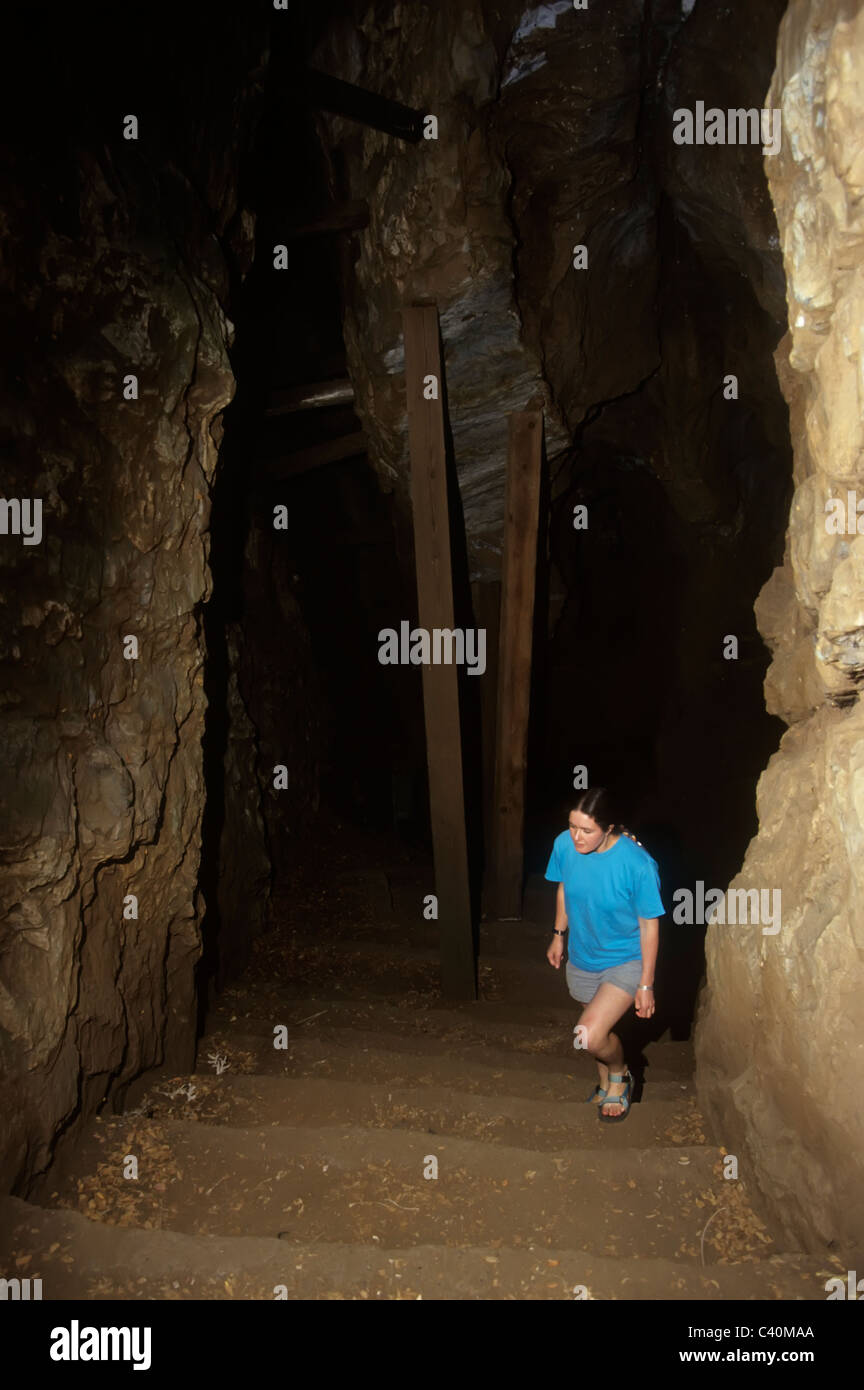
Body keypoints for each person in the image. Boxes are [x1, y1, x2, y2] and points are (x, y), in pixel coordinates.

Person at [544, 787, 664, 1122]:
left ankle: (620, 1074)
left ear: (610, 828)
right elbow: (564, 887)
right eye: (572, 826)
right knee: (598, 1034)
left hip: (626, 959)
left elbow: (649, 925)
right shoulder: (564, 845)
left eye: (587, 831)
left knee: (589, 1035)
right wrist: (558, 934)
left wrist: (646, 983)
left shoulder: (637, 864)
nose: (576, 837)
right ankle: (603, 1083)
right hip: (584, 957)